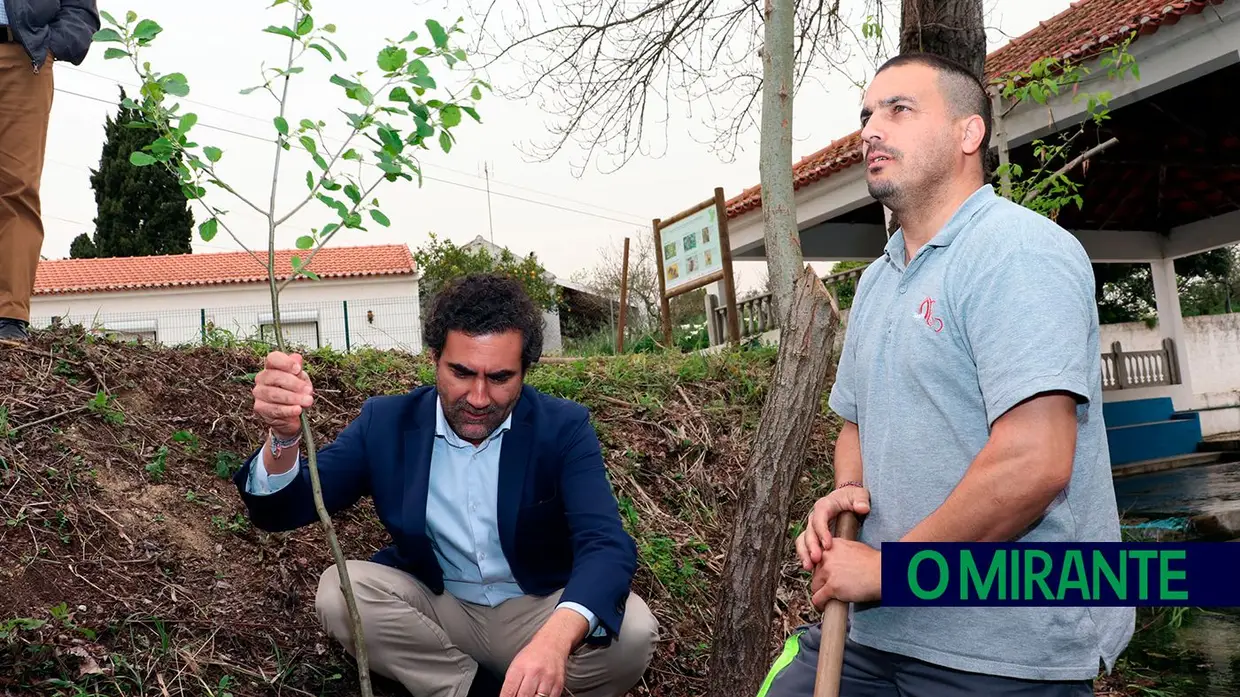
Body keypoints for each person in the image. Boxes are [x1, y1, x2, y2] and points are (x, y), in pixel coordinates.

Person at [757, 53, 1135, 697]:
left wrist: (891, 570)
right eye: (866, 115)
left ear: (969, 134)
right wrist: (847, 494)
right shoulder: (877, 282)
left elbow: (1033, 463)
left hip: (1002, 646)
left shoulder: (1018, 253)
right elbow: (854, 425)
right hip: (872, 631)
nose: (871, 129)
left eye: (899, 110)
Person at [234, 273, 659, 697]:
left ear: (525, 372)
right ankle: (473, 690)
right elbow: (283, 510)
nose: (477, 397)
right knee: (339, 592)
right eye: (461, 372)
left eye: (499, 378)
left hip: (538, 610)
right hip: (441, 609)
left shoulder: (563, 428)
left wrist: (554, 641)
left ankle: (527, 679)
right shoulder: (385, 423)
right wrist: (285, 436)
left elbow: (605, 543)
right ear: (435, 357)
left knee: (634, 632)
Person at [0, 0, 100, 341]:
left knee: (17, 189)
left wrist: (52, 46)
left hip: (23, 58)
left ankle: (9, 316)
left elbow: (80, 8)